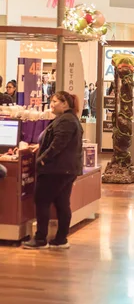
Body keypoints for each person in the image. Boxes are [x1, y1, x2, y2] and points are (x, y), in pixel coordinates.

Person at [23, 91, 83, 250]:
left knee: (42, 201)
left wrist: (42, 158)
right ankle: (60, 239)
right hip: (65, 170)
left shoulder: (66, 121)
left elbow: (58, 144)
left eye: (55, 101)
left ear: (65, 104)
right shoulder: (67, 119)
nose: (52, 103)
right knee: (62, 203)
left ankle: (41, 239)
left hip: (56, 169)